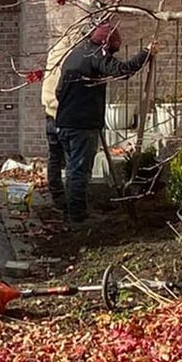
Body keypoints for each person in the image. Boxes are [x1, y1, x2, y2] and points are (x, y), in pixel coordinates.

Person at [50, 22, 153, 225]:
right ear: (106, 43)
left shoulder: (74, 55)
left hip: (64, 123)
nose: (112, 52)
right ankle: (77, 219)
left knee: (72, 171)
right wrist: (146, 54)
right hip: (82, 125)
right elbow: (122, 71)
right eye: (113, 47)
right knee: (80, 172)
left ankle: (72, 212)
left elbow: (59, 92)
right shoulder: (96, 56)